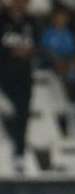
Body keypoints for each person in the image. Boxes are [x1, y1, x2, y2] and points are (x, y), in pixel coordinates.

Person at [0, 0, 36, 165]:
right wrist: (10, 51)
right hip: (3, 77)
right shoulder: (3, 20)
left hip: (23, 77)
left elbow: (38, 46)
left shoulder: (31, 22)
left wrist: (27, 51)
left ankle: (19, 156)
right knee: (7, 114)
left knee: (22, 116)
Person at [41, 6, 75, 92]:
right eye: (57, 18)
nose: (60, 21)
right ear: (53, 19)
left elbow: (72, 50)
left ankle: (71, 87)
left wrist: (68, 58)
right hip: (53, 58)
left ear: (67, 20)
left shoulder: (69, 34)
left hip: (67, 58)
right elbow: (45, 48)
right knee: (56, 61)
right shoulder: (48, 33)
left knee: (73, 66)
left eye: (63, 18)